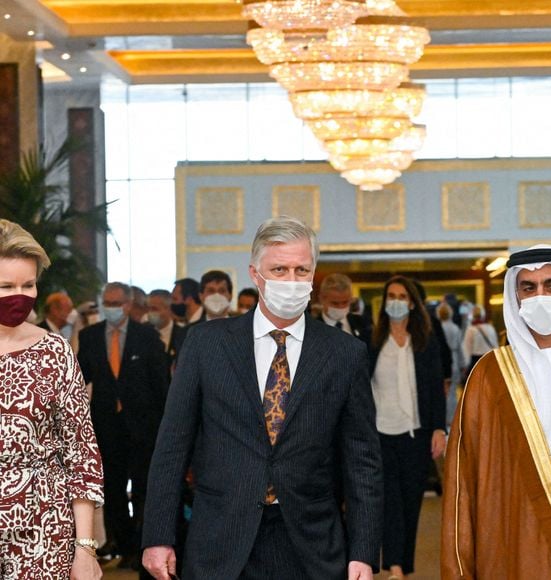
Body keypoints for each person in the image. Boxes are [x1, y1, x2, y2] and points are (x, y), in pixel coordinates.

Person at [142, 216, 383, 580]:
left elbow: (362, 458)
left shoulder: (345, 353)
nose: (291, 280)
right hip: (221, 539)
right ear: (256, 275)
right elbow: (172, 445)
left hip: (311, 543)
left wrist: (363, 550)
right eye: (279, 269)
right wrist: (158, 536)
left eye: (301, 270)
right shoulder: (206, 344)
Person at [441, 244, 551, 578]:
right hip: (517, 538)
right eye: (528, 288)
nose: (540, 296)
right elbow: (463, 483)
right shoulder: (489, 374)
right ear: (515, 296)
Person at [0, 219, 103, 579]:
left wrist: (85, 548)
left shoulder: (54, 351)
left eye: (28, 284)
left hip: (44, 529)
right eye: (6, 285)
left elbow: (81, 451)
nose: (19, 295)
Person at [77, 282, 169, 570]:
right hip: (106, 427)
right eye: (107, 301)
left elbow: (161, 385)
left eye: (116, 302)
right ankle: (126, 545)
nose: (111, 307)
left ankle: (144, 547)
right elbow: (79, 379)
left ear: (128, 305)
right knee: (112, 491)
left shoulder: (147, 337)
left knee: (143, 489)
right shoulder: (90, 336)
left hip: (143, 427)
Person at [370, 275, 446, 579]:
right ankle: (396, 567)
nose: (396, 301)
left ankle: (404, 562)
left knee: (410, 501)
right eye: (391, 295)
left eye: (402, 296)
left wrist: (439, 428)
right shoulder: (373, 340)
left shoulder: (425, 341)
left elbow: (434, 388)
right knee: (389, 502)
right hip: (381, 434)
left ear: (412, 303)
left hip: (416, 434)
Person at [318, 273, 373, 347]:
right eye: (335, 303)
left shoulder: (364, 324)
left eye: (345, 302)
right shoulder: (309, 329)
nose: (340, 307)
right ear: (321, 299)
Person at [436, 302, 465, 427]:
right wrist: (462, 364)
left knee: (440, 393)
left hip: (441, 361)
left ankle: (442, 417)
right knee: (452, 391)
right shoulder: (455, 328)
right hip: (454, 359)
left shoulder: (437, 328)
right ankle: (452, 418)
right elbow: (459, 348)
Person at [461, 303, 498, 378]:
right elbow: (496, 346)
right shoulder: (490, 328)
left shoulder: (471, 330)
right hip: (490, 360)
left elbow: (467, 349)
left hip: (476, 361)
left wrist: (465, 365)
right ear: (483, 315)